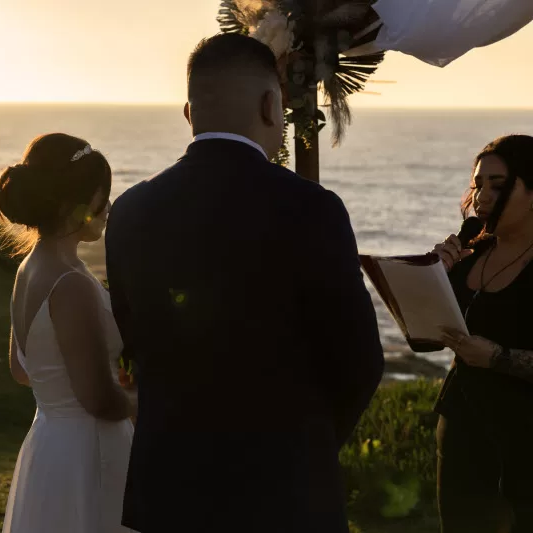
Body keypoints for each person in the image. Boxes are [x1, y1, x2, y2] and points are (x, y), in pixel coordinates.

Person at [105, 33, 385, 533]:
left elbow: (134, 341)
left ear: (188, 114)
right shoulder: (312, 208)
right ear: (270, 105)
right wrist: (309, 444)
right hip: (284, 493)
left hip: (170, 491)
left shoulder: (129, 211)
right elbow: (359, 360)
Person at [0, 133, 136, 533]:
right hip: (89, 453)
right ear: (75, 203)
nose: (107, 207)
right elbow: (99, 401)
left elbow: (23, 370)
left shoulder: (29, 268)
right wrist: (149, 400)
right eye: (100, 197)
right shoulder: (71, 283)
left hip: (49, 446)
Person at [433, 135, 533, 532]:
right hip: (462, 427)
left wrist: (496, 357)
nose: (482, 196)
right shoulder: (467, 257)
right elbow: (423, 340)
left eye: (498, 184)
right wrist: (432, 280)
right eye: (478, 184)